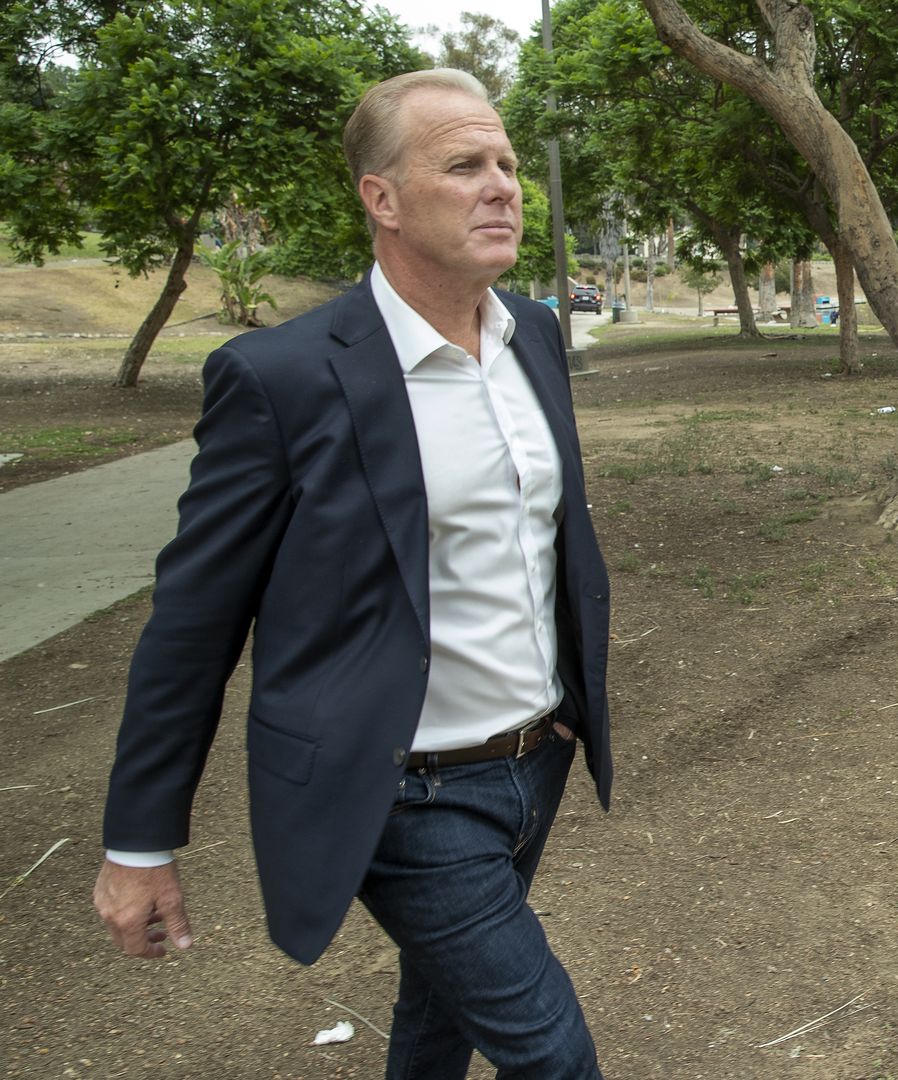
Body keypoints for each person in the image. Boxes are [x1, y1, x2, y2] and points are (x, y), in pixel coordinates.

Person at [91, 69, 611, 1079]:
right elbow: (194, 621)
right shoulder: (281, 378)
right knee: (552, 1054)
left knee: (437, 1023)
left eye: (506, 162)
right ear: (382, 197)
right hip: (404, 796)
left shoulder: (533, 336)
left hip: (532, 760)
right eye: (464, 165)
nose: (503, 184)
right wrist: (139, 842)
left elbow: (546, 546)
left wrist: (563, 714)